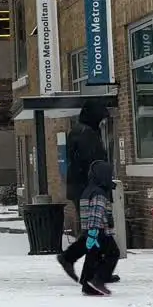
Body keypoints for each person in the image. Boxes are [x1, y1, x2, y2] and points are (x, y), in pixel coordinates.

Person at [57, 101, 121, 285]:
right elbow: (93, 164)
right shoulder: (86, 134)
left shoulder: (81, 131)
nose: (102, 123)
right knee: (97, 231)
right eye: (101, 119)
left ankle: (79, 262)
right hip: (88, 189)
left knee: (96, 231)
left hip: (83, 188)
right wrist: (102, 185)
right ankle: (90, 270)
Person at [76, 161, 121, 296]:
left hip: (88, 230)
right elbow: (96, 213)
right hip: (99, 231)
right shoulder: (99, 193)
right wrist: (94, 232)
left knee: (93, 256)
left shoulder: (88, 190)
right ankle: (98, 280)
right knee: (113, 253)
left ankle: (87, 282)